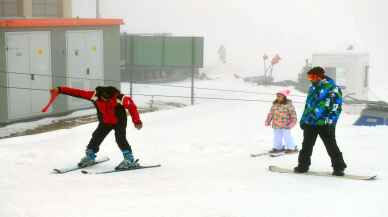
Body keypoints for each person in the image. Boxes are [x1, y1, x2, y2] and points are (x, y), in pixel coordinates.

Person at [49, 86, 143, 170]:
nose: (106, 100)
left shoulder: (119, 98)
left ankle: (129, 159)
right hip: (105, 122)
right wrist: (60, 89)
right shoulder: (94, 96)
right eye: (104, 98)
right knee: (96, 137)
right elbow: (77, 92)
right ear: (100, 95)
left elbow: (132, 107)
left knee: (120, 138)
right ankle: (90, 156)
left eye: (108, 99)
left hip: (119, 122)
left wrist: (137, 121)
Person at [294, 66, 347, 176]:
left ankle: (339, 167)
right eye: (309, 77)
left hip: (325, 123)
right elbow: (308, 106)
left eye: (312, 76)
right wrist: (303, 120)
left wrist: (330, 121)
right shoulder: (312, 88)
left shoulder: (333, 88)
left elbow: (336, 108)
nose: (311, 79)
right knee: (306, 145)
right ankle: (303, 165)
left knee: (331, 145)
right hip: (310, 122)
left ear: (320, 76)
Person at [265, 89, 298, 153]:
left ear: (284, 97)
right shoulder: (274, 105)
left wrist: (292, 123)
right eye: (277, 96)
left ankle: (291, 148)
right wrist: (268, 121)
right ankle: (278, 147)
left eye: (280, 96)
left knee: (287, 137)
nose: (278, 97)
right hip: (276, 124)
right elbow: (271, 114)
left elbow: (293, 115)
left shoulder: (288, 105)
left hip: (286, 125)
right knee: (277, 137)